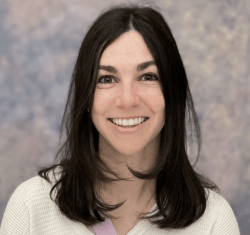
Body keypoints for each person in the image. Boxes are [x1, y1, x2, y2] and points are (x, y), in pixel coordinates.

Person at [0, 5, 240, 235]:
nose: (127, 100)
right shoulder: (31, 207)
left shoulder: (213, 220)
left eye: (147, 76)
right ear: (86, 96)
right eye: (106, 79)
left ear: (172, 93)